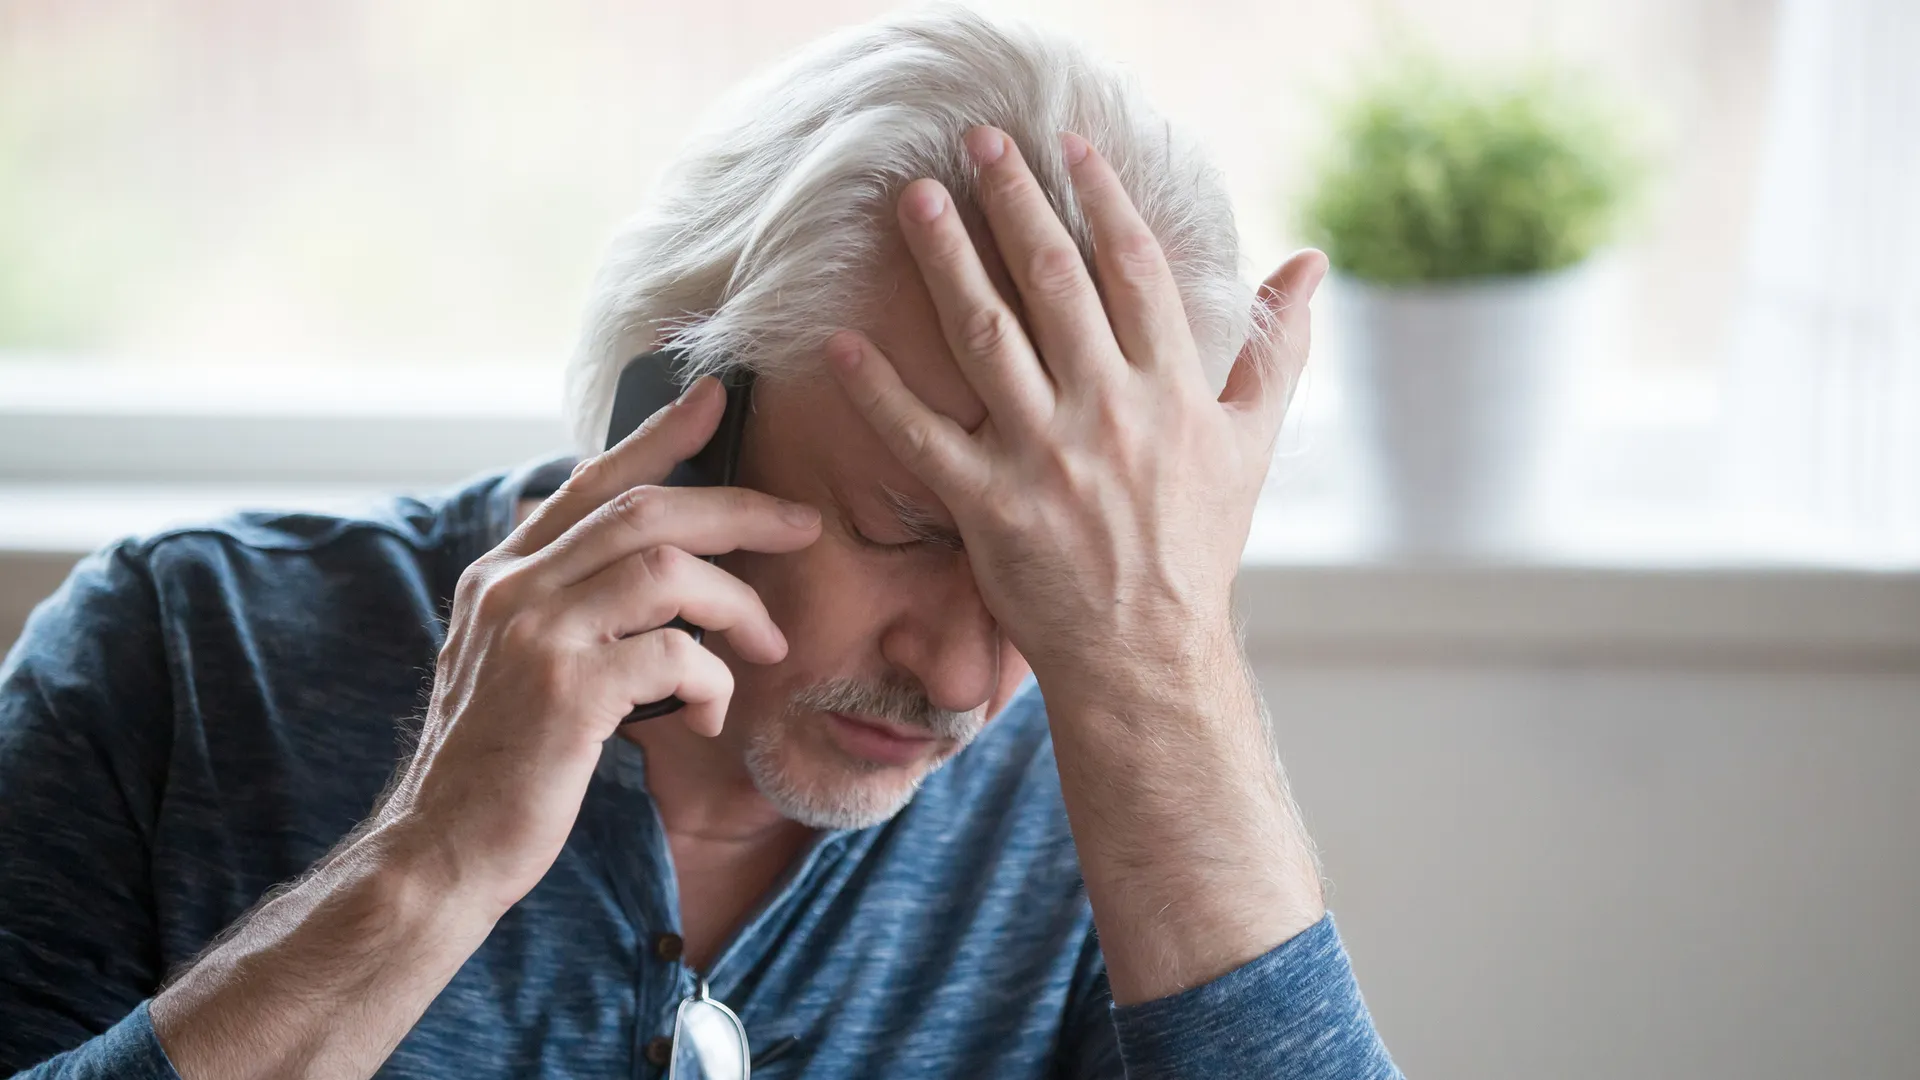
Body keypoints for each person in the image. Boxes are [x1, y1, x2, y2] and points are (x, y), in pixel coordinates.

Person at [0, 7, 1400, 1078]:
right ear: (678, 410)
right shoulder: (176, 659)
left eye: (1053, 571)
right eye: (911, 529)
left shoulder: (1130, 801)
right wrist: (428, 867)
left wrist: (1153, 662)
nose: (969, 676)